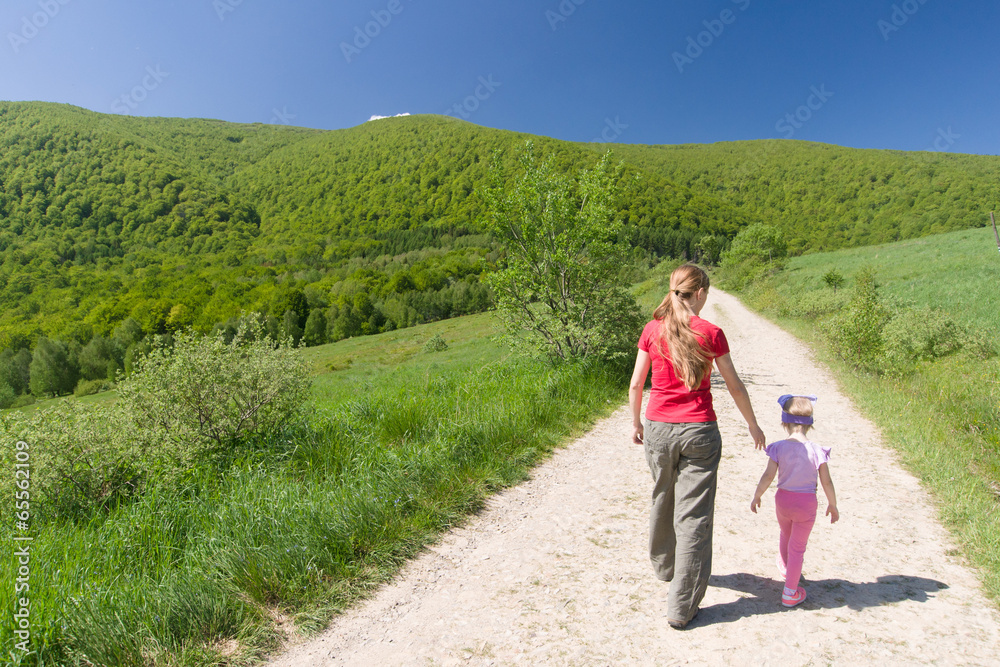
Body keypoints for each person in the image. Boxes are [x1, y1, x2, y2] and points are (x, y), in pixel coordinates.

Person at [629, 263, 766, 629]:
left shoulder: (652, 330)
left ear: (675, 291)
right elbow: (735, 385)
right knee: (694, 516)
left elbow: (636, 384)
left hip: (658, 428)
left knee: (662, 495)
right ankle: (682, 606)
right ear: (701, 293)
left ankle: (665, 567)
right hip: (699, 431)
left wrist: (636, 422)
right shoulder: (712, 332)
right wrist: (753, 425)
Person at [750, 394, 839, 608]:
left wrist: (757, 495)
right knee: (798, 547)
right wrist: (832, 504)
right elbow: (826, 482)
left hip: (783, 501)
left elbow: (768, 476)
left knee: (785, 533)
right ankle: (790, 592)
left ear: (784, 423)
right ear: (810, 425)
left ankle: (786, 568)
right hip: (806, 504)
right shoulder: (817, 451)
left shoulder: (779, 448)